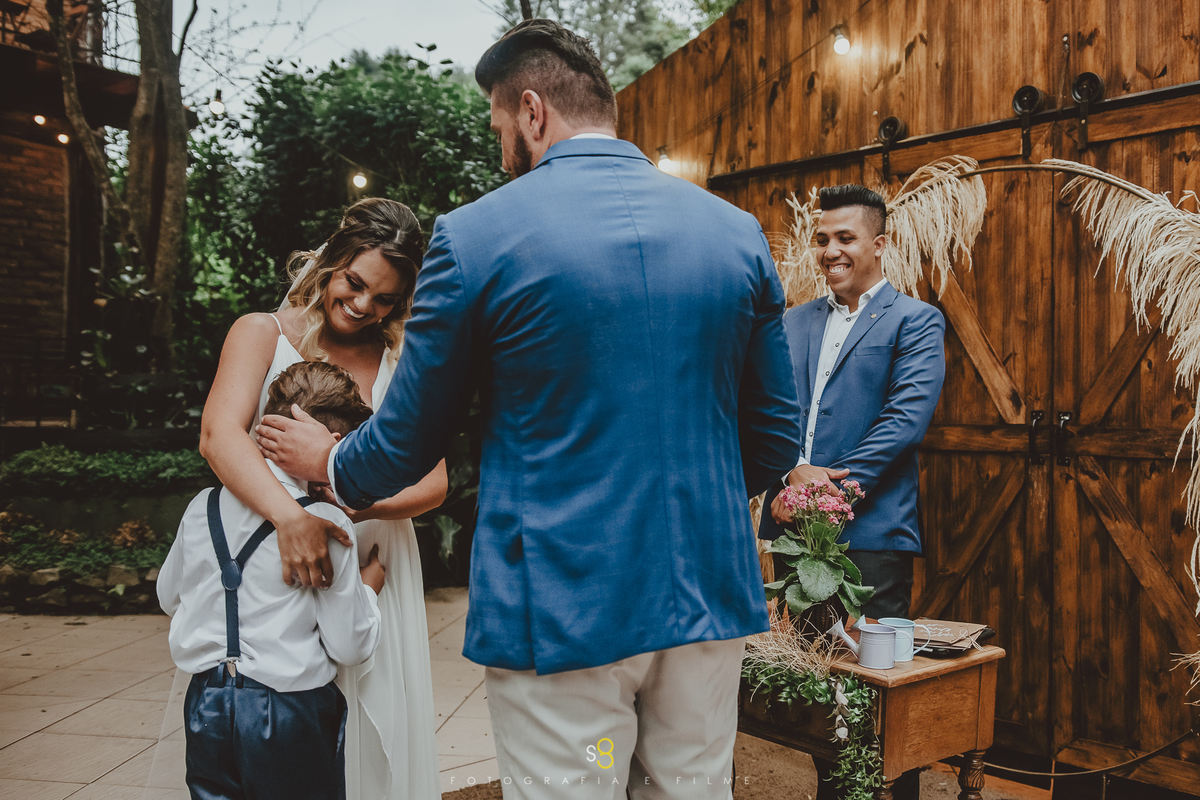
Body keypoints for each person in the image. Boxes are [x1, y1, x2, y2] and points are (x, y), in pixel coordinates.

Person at [256, 19, 802, 800]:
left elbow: (412, 431)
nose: (499, 145)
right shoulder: (737, 233)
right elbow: (776, 439)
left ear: (533, 111)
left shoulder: (477, 237)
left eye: (498, 124)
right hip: (706, 597)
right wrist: (689, 501)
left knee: (576, 791)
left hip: (563, 605)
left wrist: (331, 462)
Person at [198, 198, 445, 800]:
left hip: (374, 564)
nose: (363, 306)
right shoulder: (261, 333)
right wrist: (294, 519)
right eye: (354, 283)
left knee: (372, 736)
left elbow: (433, 483)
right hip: (276, 568)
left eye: (384, 298)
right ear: (331, 261)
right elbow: (218, 436)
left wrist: (345, 502)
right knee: (276, 737)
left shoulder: (402, 360)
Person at [758, 184, 946, 800]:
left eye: (846, 238)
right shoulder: (792, 321)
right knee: (823, 698)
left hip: (872, 536)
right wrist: (786, 477)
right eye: (822, 238)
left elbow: (903, 422)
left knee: (879, 695)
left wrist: (818, 491)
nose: (830, 250)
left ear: (880, 244)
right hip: (797, 538)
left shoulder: (916, 321)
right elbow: (771, 413)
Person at [159, 361, 384, 800]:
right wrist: (368, 589)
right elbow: (350, 646)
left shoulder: (201, 506)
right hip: (288, 711)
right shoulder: (325, 522)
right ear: (336, 443)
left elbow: (169, 597)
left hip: (207, 702)